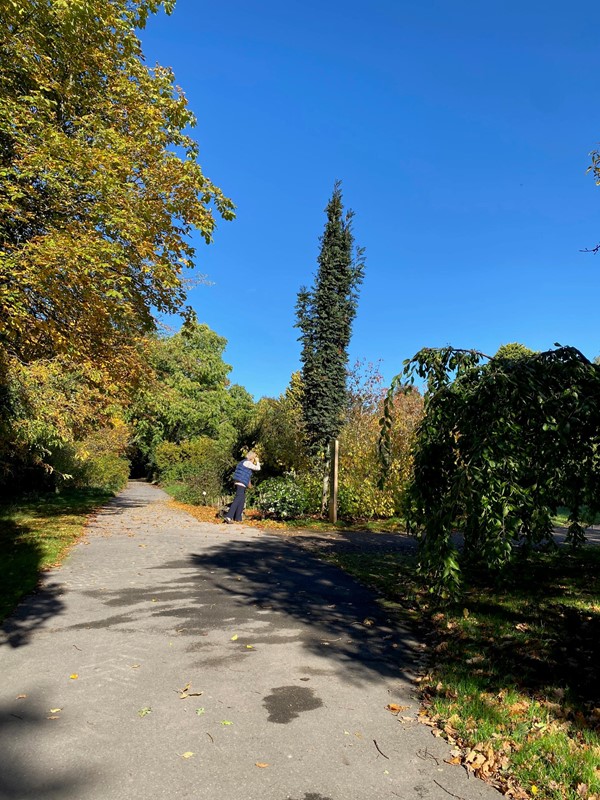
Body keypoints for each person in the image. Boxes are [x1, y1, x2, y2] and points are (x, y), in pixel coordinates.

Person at [223, 451, 261, 524]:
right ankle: (229, 516)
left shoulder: (243, 462)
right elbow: (258, 468)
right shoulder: (247, 463)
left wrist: (249, 484)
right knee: (237, 499)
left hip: (240, 483)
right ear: (252, 458)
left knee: (242, 500)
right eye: (254, 458)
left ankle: (238, 518)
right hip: (241, 483)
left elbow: (246, 475)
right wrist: (258, 462)